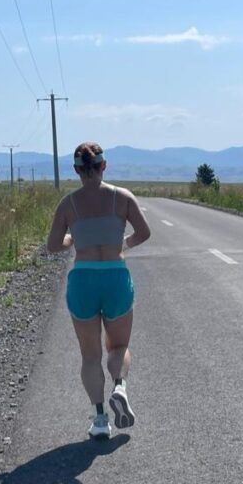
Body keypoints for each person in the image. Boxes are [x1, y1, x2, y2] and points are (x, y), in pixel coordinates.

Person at [46, 142, 151, 439]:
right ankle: (120, 386)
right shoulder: (123, 197)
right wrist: (123, 245)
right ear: (104, 166)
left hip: (83, 279)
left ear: (77, 169)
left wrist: (71, 240)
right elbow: (144, 232)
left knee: (90, 356)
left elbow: (53, 245)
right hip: (115, 277)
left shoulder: (69, 204)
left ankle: (100, 418)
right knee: (117, 348)